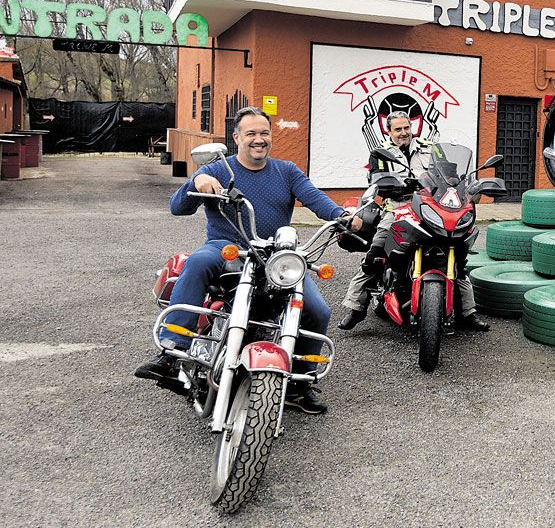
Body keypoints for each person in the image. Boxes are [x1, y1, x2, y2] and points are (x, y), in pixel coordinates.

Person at [135, 107, 360, 414]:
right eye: (251, 133)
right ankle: (172, 350)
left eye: (264, 133)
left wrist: (342, 216)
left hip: (276, 257)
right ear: (237, 137)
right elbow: (178, 207)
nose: (259, 140)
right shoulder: (218, 170)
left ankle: (300, 383)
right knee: (198, 262)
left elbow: (315, 198)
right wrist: (196, 182)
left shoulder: (286, 171)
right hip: (227, 248)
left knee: (318, 310)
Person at [337, 113, 490, 332]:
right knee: (376, 252)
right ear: (388, 132)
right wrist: (396, 186)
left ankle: (468, 312)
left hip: (432, 205)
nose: (403, 133)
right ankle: (356, 308)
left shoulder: (431, 148)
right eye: (397, 129)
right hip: (398, 208)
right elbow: (377, 180)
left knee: (456, 253)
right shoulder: (380, 153)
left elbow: (451, 172)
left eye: (406, 128)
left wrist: (463, 184)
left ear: (412, 127)